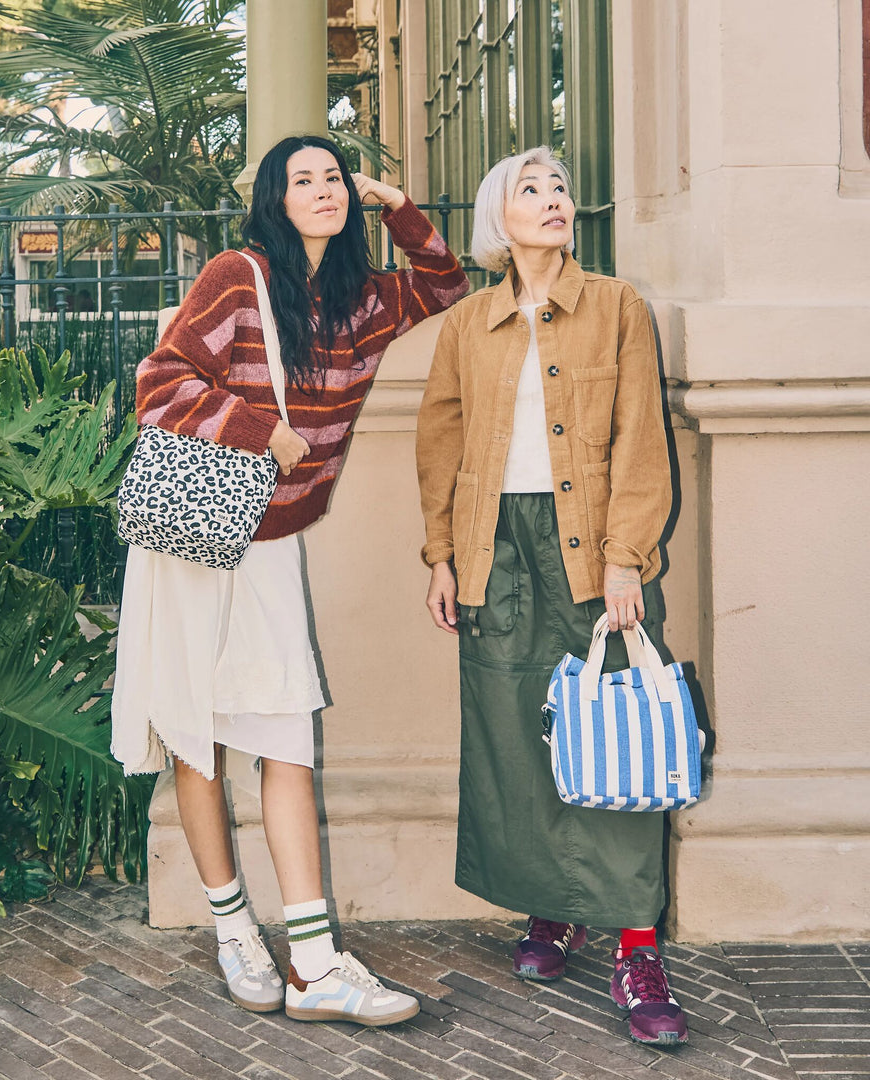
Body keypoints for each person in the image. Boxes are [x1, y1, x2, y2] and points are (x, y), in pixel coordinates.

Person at [112, 134, 468, 1025]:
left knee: (286, 739)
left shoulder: (364, 302)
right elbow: (159, 382)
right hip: (198, 537)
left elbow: (446, 286)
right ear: (273, 198)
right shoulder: (240, 275)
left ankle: (313, 966)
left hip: (271, 543)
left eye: (335, 178)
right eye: (302, 179)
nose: (324, 190)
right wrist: (256, 429)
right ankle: (234, 930)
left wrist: (397, 207)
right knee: (202, 737)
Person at [415, 147, 688, 1047]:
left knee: (611, 740)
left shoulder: (616, 307)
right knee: (515, 735)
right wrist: (443, 557)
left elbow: (643, 443)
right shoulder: (467, 325)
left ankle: (637, 946)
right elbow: (442, 450)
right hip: (494, 549)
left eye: (560, 187)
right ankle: (549, 907)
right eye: (531, 190)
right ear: (500, 215)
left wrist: (626, 560)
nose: (554, 200)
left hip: (588, 548)